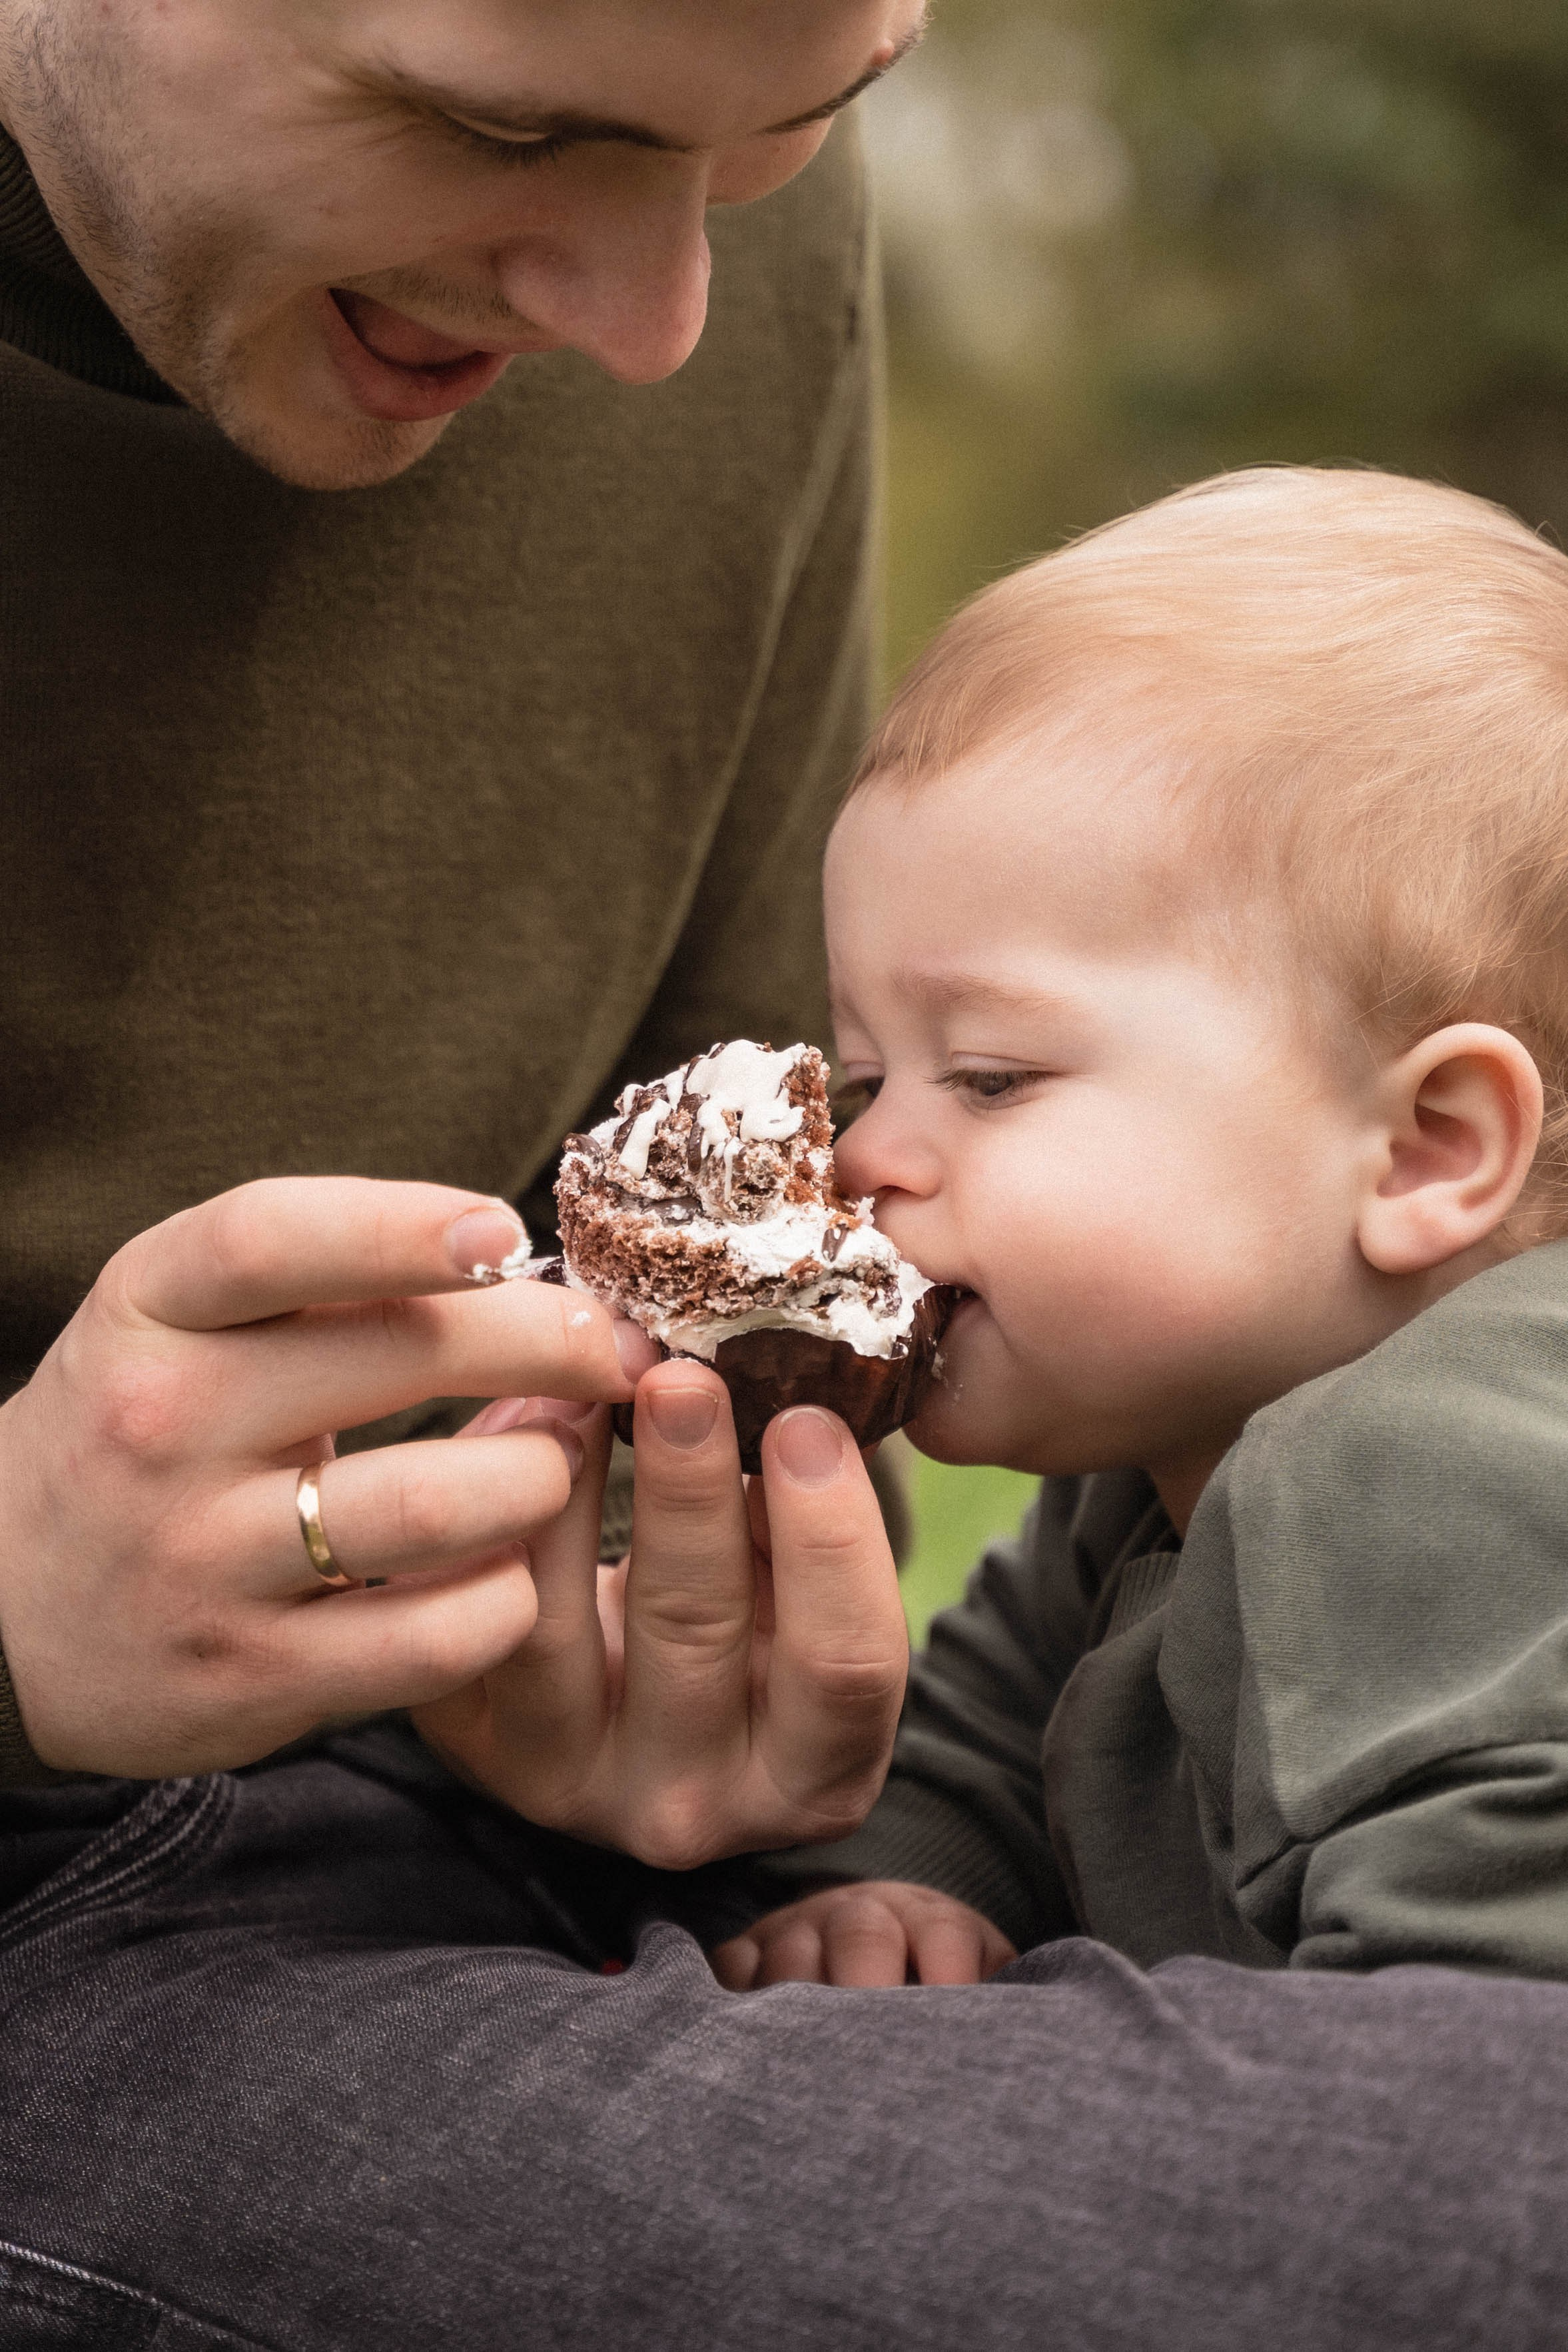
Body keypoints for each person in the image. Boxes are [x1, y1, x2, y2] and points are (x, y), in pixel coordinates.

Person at [1, 3, 1567, 2340]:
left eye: (787, 142)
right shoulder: (1169, 1476)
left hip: (518, 1870)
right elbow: (1016, 1741)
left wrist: (733, 1727)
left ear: (1432, 1145)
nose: (662, 323)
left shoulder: (1412, 1459)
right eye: (498, 124)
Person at [717, 465, 1568, 1992]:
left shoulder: (1442, 1477)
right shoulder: (1145, 1463)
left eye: (990, 1076)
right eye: (862, 1077)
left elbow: (1476, 2050)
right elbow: (983, 1737)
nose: (859, 1155)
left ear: (1424, 1146)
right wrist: (895, 1886)